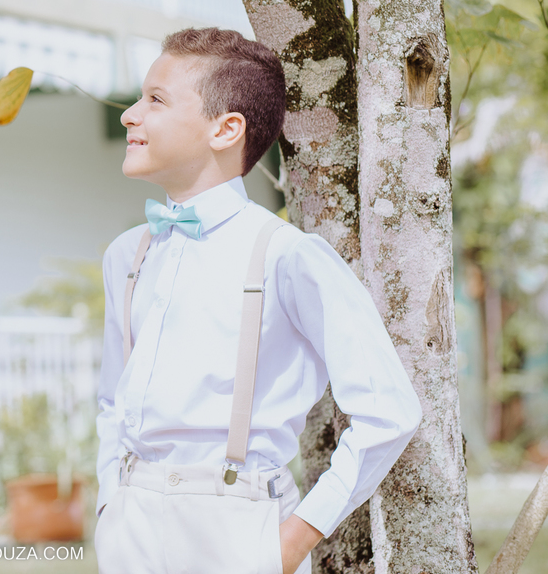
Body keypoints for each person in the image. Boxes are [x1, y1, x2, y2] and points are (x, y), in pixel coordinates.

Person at [93, 28, 421, 574]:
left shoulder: (286, 256)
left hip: (239, 523)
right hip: (131, 525)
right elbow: (112, 400)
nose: (130, 115)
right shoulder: (128, 254)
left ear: (225, 129)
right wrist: (109, 501)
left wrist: (291, 541)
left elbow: (389, 410)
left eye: (155, 99)